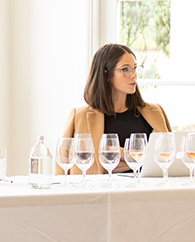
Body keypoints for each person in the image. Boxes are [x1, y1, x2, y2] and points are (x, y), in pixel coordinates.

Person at [58, 43, 172, 174]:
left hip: (147, 192)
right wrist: (139, 158)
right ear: (106, 75)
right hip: (100, 193)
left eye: (135, 68)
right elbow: (64, 170)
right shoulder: (80, 116)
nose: (134, 75)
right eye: (125, 69)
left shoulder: (156, 112)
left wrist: (123, 154)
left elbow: (169, 159)